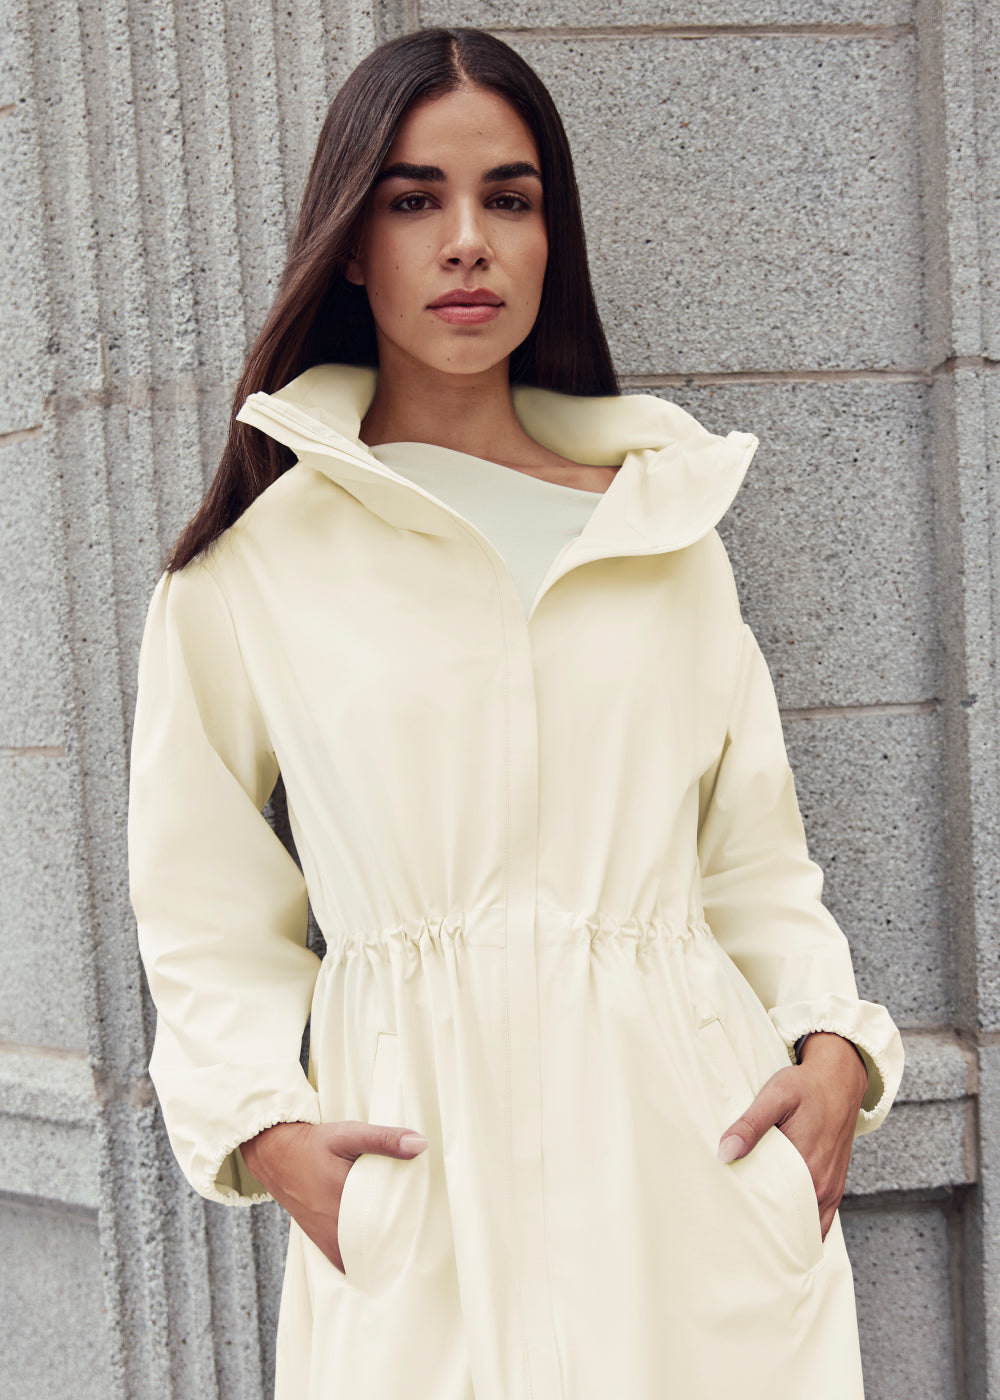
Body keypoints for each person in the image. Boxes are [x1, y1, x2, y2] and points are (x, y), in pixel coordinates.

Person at [127, 25, 905, 1400]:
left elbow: (755, 866)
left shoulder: (666, 533)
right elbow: (200, 910)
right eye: (413, 200)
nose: (467, 242)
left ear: (554, 239)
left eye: (510, 198)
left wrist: (835, 1049)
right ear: (351, 245)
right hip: (428, 1200)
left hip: (697, 1181)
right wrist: (270, 1129)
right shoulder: (251, 572)